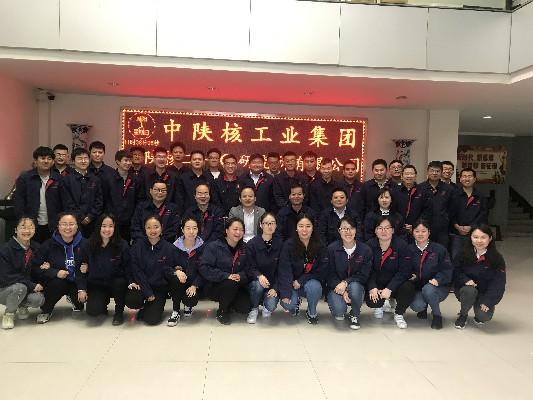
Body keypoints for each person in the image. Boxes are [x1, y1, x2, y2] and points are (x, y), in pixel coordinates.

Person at [29, 212, 86, 324]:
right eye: (64, 224)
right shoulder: (48, 245)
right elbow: (35, 268)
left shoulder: (85, 244)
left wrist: (88, 267)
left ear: (77, 225)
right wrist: (54, 272)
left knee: (80, 305)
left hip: (77, 281)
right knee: (57, 284)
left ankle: (73, 298)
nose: (68, 228)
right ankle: (46, 310)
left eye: (71, 224)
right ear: (58, 226)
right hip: (57, 281)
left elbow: (95, 263)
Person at [76, 214, 133, 325]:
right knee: (92, 311)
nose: (107, 229)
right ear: (98, 227)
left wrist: (131, 282)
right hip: (97, 283)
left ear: (115, 227)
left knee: (120, 283)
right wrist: (81, 289)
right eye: (104, 226)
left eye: (111, 226)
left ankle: (119, 313)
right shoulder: (88, 244)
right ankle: (103, 304)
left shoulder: (122, 244)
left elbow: (127, 266)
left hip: (116, 282)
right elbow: (79, 269)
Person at [128, 215, 181, 326]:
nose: (153, 231)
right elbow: (136, 271)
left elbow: (169, 269)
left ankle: (147, 308)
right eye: (149, 228)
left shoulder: (168, 248)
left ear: (161, 227)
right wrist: (147, 291)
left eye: (156, 227)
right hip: (142, 286)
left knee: (152, 320)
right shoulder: (137, 247)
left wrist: (176, 270)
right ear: (144, 229)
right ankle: (142, 306)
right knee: (132, 300)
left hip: (158, 288)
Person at [199, 218, 252, 325]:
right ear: (227, 230)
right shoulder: (214, 246)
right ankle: (222, 311)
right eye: (235, 229)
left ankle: (229, 303)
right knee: (230, 284)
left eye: (241, 230)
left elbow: (250, 269)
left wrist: (240, 276)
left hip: (237, 285)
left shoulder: (245, 248)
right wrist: (226, 276)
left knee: (245, 308)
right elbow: (204, 268)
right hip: (215, 285)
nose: (238, 232)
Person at [453, 223, 505, 329]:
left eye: (483, 237)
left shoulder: (496, 258)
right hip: (465, 290)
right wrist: (465, 280)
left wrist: (488, 301)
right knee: (470, 291)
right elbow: (455, 271)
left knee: (484, 316)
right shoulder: (462, 254)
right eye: (475, 237)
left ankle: (478, 313)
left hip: (484, 292)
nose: (479, 241)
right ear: (470, 238)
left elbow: (498, 282)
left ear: (490, 238)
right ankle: (463, 315)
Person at [365, 216, 414, 329]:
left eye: (387, 228)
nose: (384, 231)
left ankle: (399, 313)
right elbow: (367, 269)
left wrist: (390, 288)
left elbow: (405, 271)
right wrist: (372, 286)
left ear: (393, 230)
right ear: (375, 230)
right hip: (378, 282)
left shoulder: (402, 245)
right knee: (373, 301)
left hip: (396, 283)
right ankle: (380, 305)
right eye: (380, 228)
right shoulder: (368, 246)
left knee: (408, 287)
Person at [278, 214, 328, 324]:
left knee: (314, 287)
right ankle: (296, 302)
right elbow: (284, 270)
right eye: (301, 226)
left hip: (311, 282)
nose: (304, 229)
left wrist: (302, 280)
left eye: (308, 226)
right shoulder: (288, 245)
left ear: (313, 228)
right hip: (292, 284)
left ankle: (311, 310)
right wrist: (286, 293)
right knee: (287, 304)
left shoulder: (320, 245)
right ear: (296, 228)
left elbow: (322, 270)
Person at [326, 216, 372, 330]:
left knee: (355, 288)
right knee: (339, 313)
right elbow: (329, 274)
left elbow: (363, 275)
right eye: (344, 228)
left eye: (351, 228)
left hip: (356, 286)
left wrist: (346, 283)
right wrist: (342, 289)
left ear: (356, 230)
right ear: (339, 231)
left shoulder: (365, 250)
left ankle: (354, 314)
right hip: (336, 286)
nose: (348, 232)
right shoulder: (331, 249)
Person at [407, 219, 453, 329]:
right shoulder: (408, 249)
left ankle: (437, 315)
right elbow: (405, 268)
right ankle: (423, 308)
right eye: (417, 231)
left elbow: (447, 269)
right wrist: (411, 276)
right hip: (419, 287)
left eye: (423, 231)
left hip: (438, 287)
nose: (420, 234)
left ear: (429, 232)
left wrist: (438, 279)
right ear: (412, 233)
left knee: (429, 289)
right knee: (417, 305)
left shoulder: (439, 249)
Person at [0, 217, 45, 329]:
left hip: (25, 287)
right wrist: (31, 285)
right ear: (16, 230)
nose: (27, 231)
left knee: (38, 299)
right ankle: (9, 314)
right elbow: (6, 275)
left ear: (34, 230)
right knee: (20, 287)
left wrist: (44, 266)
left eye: (30, 227)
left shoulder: (36, 247)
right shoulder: (5, 249)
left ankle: (21, 305)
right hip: (5, 289)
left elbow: (36, 270)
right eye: (23, 227)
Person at [14, 146, 64, 243]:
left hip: (53, 225)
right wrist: (23, 221)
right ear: (35, 160)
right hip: (31, 225)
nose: (46, 161)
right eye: (43, 158)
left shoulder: (59, 178)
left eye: (49, 158)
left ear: (53, 162)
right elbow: (19, 201)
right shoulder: (25, 178)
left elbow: (64, 202)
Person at [245, 212, 283, 323]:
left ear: (276, 225)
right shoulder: (252, 244)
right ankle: (254, 308)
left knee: (271, 305)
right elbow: (249, 267)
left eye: (272, 223)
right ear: (261, 225)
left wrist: (275, 288)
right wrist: (259, 276)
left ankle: (266, 305)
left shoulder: (280, 245)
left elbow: (282, 270)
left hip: (272, 284)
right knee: (257, 286)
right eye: (266, 223)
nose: (269, 226)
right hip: (255, 282)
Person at [61, 147, 103, 238]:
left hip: (92, 221)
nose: (83, 161)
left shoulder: (95, 179)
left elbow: (99, 201)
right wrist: (81, 217)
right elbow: (67, 202)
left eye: (86, 158)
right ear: (73, 161)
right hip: (73, 221)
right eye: (80, 158)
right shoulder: (67, 179)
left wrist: (90, 216)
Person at [101, 150, 143, 242]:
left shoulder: (135, 180)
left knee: (126, 244)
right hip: (111, 219)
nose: (128, 163)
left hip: (129, 220)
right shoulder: (108, 178)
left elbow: (139, 200)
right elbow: (103, 199)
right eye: (126, 160)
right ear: (118, 161)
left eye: (130, 160)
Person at [169, 218, 205, 324]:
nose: (191, 232)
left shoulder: (203, 248)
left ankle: (188, 305)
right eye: (188, 228)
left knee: (190, 300)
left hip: (194, 283)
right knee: (175, 279)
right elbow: (166, 267)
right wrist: (176, 271)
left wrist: (195, 285)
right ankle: (175, 311)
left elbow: (204, 270)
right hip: (179, 282)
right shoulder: (174, 247)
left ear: (198, 230)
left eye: (194, 228)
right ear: (182, 230)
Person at [449, 168, 488, 259]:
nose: (467, 179)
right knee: (455, 257)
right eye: (464, 176)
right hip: (456, 233)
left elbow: (483, 213)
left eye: (470, 176)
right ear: (460, 179)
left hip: (474, 233)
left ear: (474, 179)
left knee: (473, 258)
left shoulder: (480, 196)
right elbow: (449, 212)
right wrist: (456, 226)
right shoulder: (453, 194)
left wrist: (471, 226)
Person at [418, 161, 454, 247]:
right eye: (432, 171)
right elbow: (417, 208)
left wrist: (445, 218)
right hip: (423, 227)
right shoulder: (420, 187)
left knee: (441, 251)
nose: (434, 173)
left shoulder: (448, 189)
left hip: (441, 229)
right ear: (427, 172)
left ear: (441, 173)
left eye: (437, 171)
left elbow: (451, 209)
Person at [392, 165, 431, 241]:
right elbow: (392, 210)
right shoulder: (395, 191)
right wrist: (402, 225)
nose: (409, 176)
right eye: (406, 174)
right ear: (402, 176)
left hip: (418, 230)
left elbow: (426, 211)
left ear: (415, 176)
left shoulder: (423, 192)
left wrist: (415, 226)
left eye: (411, 174)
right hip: (398, 230)